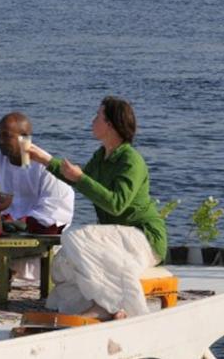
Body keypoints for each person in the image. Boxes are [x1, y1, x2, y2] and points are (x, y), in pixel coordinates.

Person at [28, 96, 167, 320]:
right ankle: (102, 303)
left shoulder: (131, 160)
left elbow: (116, 204)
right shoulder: (101, 156)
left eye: (97, 116)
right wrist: (44, 159)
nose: (92, 121)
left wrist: (81, 177)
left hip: (144, 238)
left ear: (110, 124)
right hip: (117, 238)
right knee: (64, 262)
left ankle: (110, 306)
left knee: (75, 237)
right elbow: (77, 179)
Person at [0, 112, 75, 293]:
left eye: (6, 136)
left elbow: (56, 208)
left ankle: (3, 274)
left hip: (31, 228)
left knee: (28, 238)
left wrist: (19, 223)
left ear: (24, 139)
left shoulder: (43, 166)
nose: (0, 141)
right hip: (0, 223)